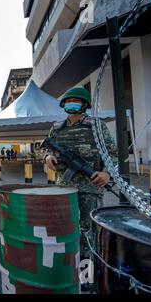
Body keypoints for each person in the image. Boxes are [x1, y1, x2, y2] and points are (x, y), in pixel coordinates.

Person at [44, 87, 118, 290]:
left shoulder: (96, 126)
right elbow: (49, 149)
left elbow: (113, 153)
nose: (72, 104)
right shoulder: (57, 127)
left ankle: (86, 277)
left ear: (85, 104)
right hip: (63, 188)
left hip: (89, 188)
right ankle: (65, 270)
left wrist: (107, 174)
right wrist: (48, 157)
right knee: (61, 230)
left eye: (76, 101)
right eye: (69, 101)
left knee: (87, 233)